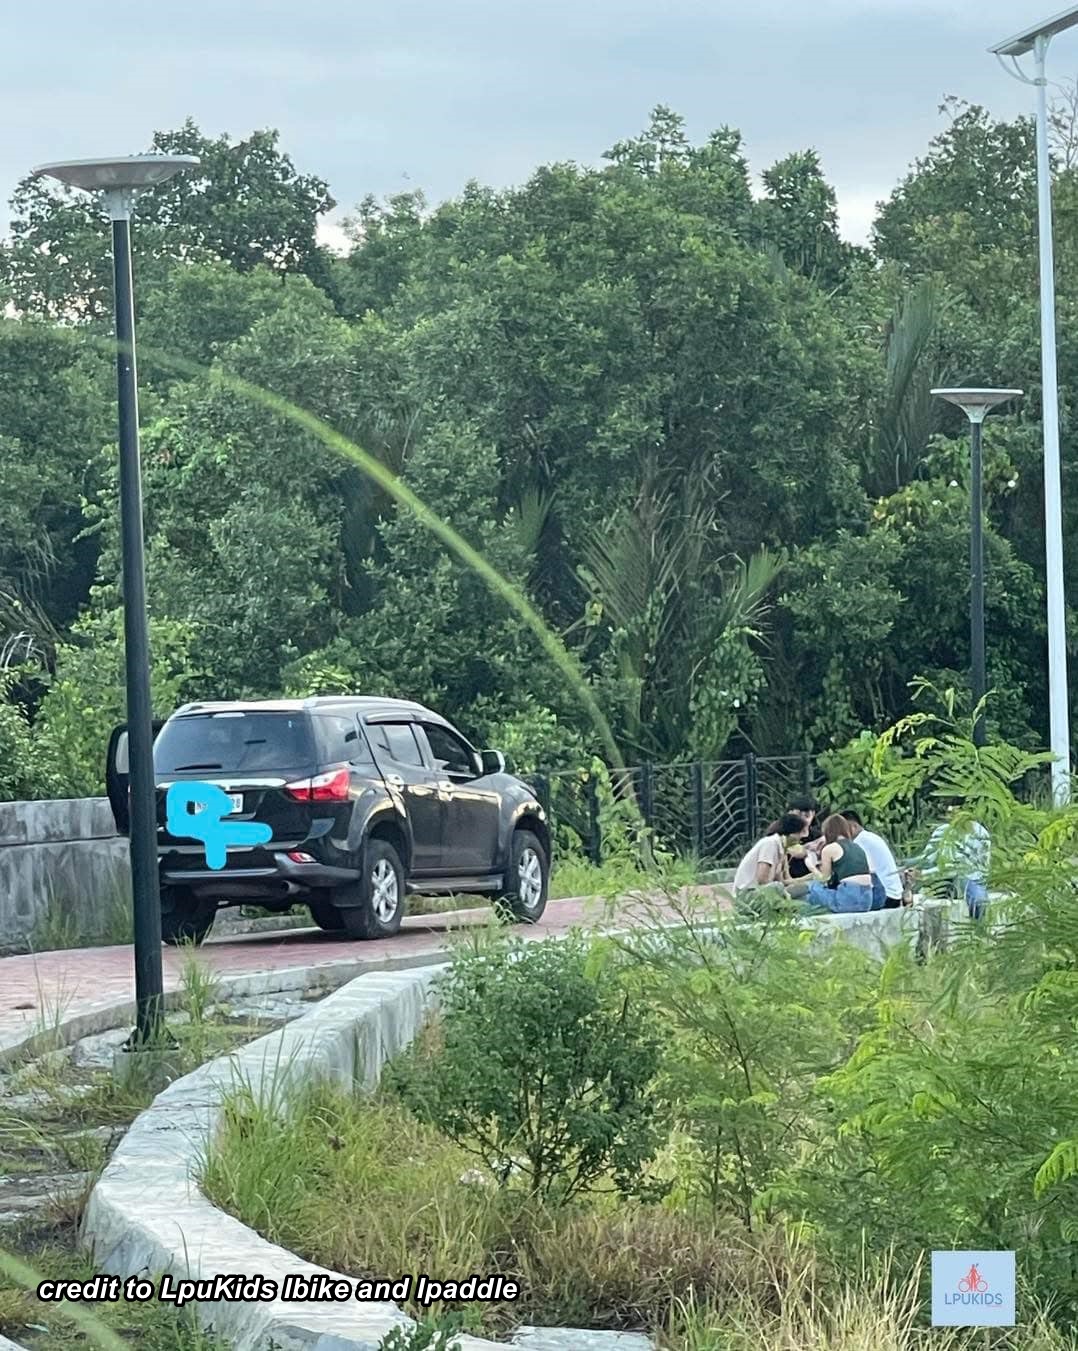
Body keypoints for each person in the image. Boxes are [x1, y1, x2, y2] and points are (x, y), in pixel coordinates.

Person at [917, 809, 991, 920]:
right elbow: (927, 859)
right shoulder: (942, 831)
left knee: (978, 901)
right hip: (941, 877)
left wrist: (924, 874)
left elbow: (956, 868)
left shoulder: (980, 833)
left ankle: (978, 929)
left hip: (969, 879)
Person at [803, 814, 875, 914]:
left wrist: (811, 866)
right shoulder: (857, 847)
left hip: (847, 899)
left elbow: (824, 880)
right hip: (867, 901)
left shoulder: (829, 849)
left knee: (813, 888)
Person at [733, 812, 809, 901]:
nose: (801, 837)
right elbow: (762, 879)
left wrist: (808, 879)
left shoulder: (781, 847)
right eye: (800, 833)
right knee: (778, 887)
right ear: (792, 833)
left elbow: (782, 881)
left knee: (805, 889)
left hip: (765, 890)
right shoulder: (770, 843)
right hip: (749, 893)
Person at [842, 810, 903, 909]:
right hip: (894, 894)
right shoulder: (870, 837)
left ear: (853, 826)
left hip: (885, 895)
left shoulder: (859, 842)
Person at [766, 795, 822, 881]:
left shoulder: (818, 836)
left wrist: (807, 853)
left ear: (813, 814)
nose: (803, 819)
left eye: (806, 815)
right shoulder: (778, 835)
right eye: (799, 815)